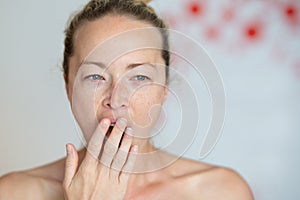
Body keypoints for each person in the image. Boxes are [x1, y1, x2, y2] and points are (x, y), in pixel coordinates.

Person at [0, 0, 254, 199]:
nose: (116, 99)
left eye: (139, 77)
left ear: (164, 88)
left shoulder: (220, 193)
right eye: (95, 76)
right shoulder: (13, 193)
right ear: (68, 87)